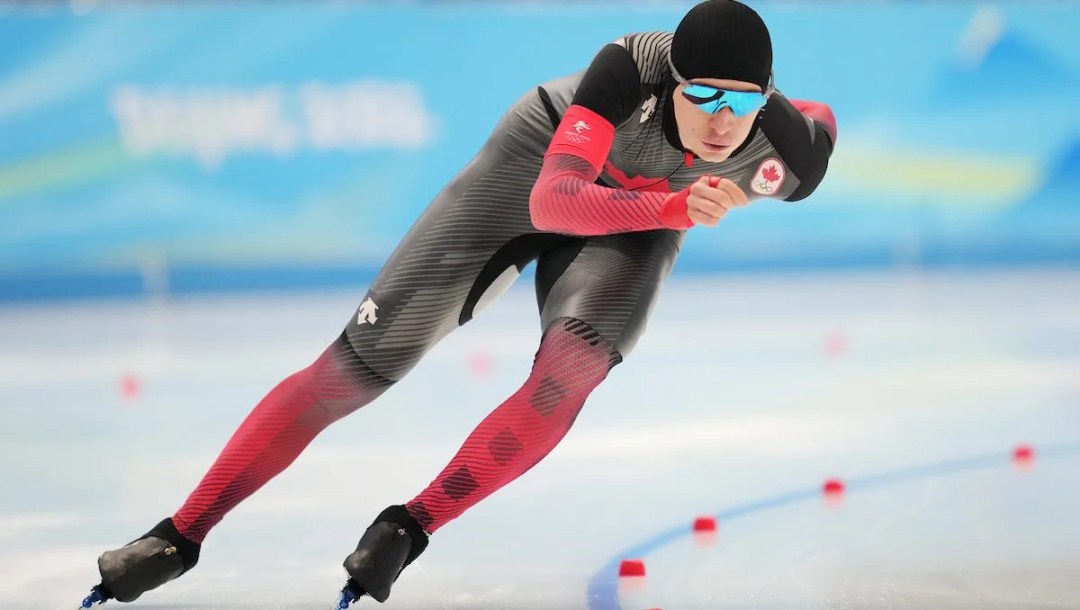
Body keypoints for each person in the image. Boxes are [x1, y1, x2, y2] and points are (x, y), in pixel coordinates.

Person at [80, 0, 836, 606]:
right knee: (349, 374)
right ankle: (178, 536)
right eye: (700, 94)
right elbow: (556, 198)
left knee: (568, 377)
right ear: (672, 80)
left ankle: (407, 528)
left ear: (764, 99)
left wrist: (723, 179)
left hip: (638, 221)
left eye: (738, 102)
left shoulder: (780, 148)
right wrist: (674, 210)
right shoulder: (624, 71)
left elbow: (821, 124)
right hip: (533, 171)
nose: (719, 119)